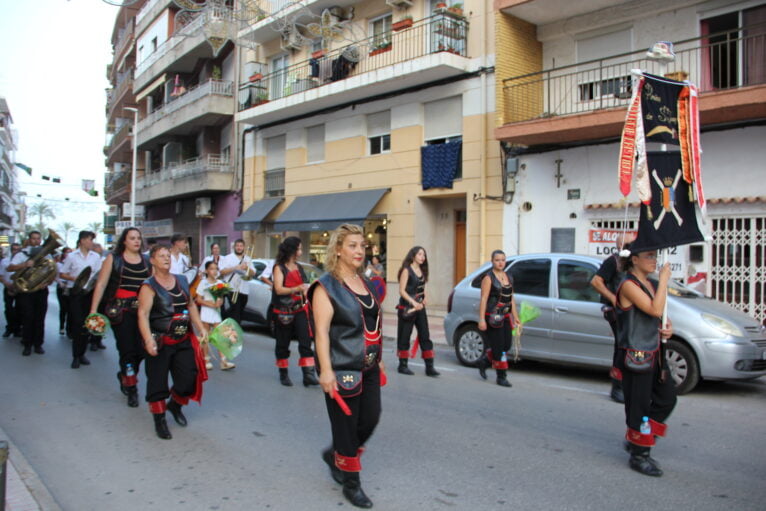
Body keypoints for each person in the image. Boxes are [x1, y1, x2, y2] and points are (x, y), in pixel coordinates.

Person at [309, 224, 384, 509]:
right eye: (352, 245)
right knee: (347, 428)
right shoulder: (325, 287)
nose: (359, 251)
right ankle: (352, 485)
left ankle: (335, 455)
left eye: (362, 246)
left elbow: (369, 323)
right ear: (338, 249)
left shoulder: (362, 281)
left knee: (371, 418)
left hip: (369, 365)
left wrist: (379, 356)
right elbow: (321, 333)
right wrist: (326, 371)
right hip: (342, 369)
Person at [615, 246, 676, 477]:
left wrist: (668, 326)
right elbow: (654, 308)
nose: (654, 260)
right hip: (636, 354)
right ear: (635, 260)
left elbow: (660, 313)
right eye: (649, 256)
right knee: (639, 405)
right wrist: (664, 281)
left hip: (655, 352)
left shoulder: (648, 284)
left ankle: (638, 438)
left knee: (667, 399)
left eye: (655, 256)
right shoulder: (628, 284)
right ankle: (639, 454)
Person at [137, 244, 208, 440]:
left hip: (183, 338)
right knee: (157, 383)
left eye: (168, 255)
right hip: (160, 341)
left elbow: (191, 305)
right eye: (161, 256)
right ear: (152, 260)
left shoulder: (182, 280)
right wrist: (148, 339)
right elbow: (143, 314)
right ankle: (159, 420)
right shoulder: (148, 286)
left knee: (188, 377)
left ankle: (175, 405)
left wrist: (201, 327)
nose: (166, 259)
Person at [90, 227, 151, 406]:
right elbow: (101, 284)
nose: (136, 241)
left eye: (138, 238)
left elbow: (153, 286)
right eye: (132, 238)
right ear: (124, 241)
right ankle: (131, 387)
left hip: (142, 312)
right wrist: (93, 311)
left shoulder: (147, 261)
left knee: (143, 350)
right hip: (121, 312)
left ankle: (124, 373)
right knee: (127, 351)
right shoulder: (113, 258)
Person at [591, 232, 636, 403]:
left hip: (631, 311)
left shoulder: (632, 262)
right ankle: (617, 387)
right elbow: (596, 281)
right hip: (617, 311)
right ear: (620, 246)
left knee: (629, 346)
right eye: (628, 245)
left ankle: (628, 383)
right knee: (622, 346)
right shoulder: (613, 261)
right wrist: (613, 299)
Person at [271, 236, 318, 387]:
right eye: (299, 248)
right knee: (283, 343)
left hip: (300, 310)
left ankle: (308, 375)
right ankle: (283, 373)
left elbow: (304, 285)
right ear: (292, 249)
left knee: (305, 341)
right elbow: (278, 289)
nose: (301, 251)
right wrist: (297, 289)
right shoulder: (279, 267)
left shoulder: (299, 267)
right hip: (284, 311)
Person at [476, 250, 519, 387]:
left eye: (503, 260)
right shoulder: (488, 278)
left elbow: (511, 298)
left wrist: (515, 317)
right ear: (492, 261)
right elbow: (483, 299)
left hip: (505, 315)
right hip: (492, 317)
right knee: (499, 348)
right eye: (497, 260)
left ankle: (485, 361)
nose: (500, 262)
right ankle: (501, 376)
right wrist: (481, 319)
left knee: (506, 345)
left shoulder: (509, 277)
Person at [60, 231, 103, 368]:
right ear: (83, 240)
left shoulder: (95, 257)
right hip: (76, 293)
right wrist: (76, 279)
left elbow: (98, 275)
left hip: (89, 293)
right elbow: (62, 274)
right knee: (78, 324)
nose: (92, 242)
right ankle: (75, 356)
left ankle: (82, 353)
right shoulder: (71, 256)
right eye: (90, 239)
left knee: (88, 324)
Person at [395, 246, 439, 377]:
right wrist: (413, 302)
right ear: (413, 255)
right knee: (405, 336)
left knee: (425, 334)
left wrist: (424, 298)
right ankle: (402, 365)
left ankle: (429, 367)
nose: (422, 257)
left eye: (424, 255)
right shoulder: (406, 270)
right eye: (420, 254)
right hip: (408, 308)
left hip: (420, 308)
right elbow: (402, 291)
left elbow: (422, 288)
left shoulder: (422, 270)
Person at [8, 232, 50, 356]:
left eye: (38, 239)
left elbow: (53, 271)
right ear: (29, 240)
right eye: (33, 239)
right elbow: (10, 268)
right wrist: (24, 264)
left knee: (40, 318)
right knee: (27, 317)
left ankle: (38, 344)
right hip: (26, 291)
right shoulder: (21, 254)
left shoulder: (47, 255)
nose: (36, 241)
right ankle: (27, 344)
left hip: (41, 290)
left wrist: (47, 282)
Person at [195, 260, 235, 370]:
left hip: (216, 313)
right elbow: (198, 299)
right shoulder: (203, 282)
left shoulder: (219, 283)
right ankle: (206, 359)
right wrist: (210, 304)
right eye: (211, 269)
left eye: (216, 269)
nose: (214, 271)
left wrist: (219, 302)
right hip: (206, 312)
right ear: (207, 270)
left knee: (220, 336)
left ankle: (224, 361)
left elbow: (221, 298)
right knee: (205, 337)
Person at [218, 239, 253, 324]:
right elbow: (222, 271)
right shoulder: (228, 258)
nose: (239, 248)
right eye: (237, 246)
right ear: (234, 247)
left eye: (241, 246)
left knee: (240, 314)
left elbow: (253, 273)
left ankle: (230, 329)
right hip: (232, 289)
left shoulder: (247, 259)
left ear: (244, 247)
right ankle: (235, 333)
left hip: (244, 289)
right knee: (235, 313)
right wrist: (234, 268)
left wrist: (247, 268)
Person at [1, 242, 22, 338]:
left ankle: (17, 329)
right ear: (11, 250)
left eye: (18, 250)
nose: (16, 251)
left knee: (19, 310)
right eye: (14, 249)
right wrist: (7, 284)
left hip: (20, 288)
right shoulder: (5, 261)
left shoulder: (23, 261)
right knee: (9, 309)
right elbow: (0, 276)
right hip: (9, 287)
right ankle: (9, 328)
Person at [55, 247, 72, 337]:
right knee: (63, 308)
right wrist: (60, 283)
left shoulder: (72, 263)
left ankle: (69, 329)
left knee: (70, 309)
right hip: (61, 287)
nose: (68, 254)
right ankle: (61, 326)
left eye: (70, 252)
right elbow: (56, 276)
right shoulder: (59, 264)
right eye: (66, 252)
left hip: (69, 287)